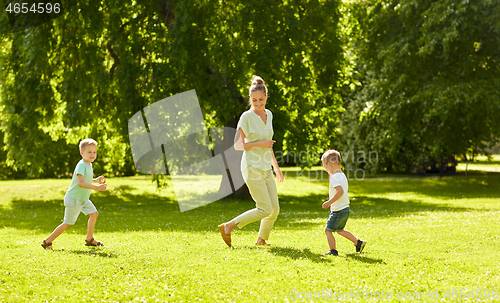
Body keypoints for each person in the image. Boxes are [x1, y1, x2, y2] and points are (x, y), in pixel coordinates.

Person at [218, 75, 284, 247]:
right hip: (251, 167)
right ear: (250, 99)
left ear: (266, 97)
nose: (258, 103)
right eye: (254, 100)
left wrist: (276, 168)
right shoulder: (246, 117)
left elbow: (269, 144)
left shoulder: (269, 115)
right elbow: (238, 145)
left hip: (265, 168)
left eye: (261, 99)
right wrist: (260, 143)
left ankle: (261, 240)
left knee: (274, 209)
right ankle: (228, 226)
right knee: (264, 208)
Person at [41, 138, 107, 249]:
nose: (93, 154)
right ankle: (47, 241)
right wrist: (97, 188)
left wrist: (96, 180)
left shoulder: (89, 164)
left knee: (94, 214)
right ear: (82, 153)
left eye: (94, 152)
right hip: (74, 199)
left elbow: (86, 179)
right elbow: (81, 183)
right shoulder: (81, 165)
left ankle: (89, 239)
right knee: (67, 223)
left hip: (83, 199)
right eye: (89, 152)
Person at [321, 149, 366, 256]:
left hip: (338, 210)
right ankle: (358, 243)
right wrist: (330, 172)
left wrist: (329, 202)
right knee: (339, 230)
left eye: (324, 166)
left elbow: (340, 192)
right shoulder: (341, 175)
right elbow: (337, 184)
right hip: (345, 209)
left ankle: (333, 251)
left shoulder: (334, 178)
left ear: (330, 164)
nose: (324, 169)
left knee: (328, 230)